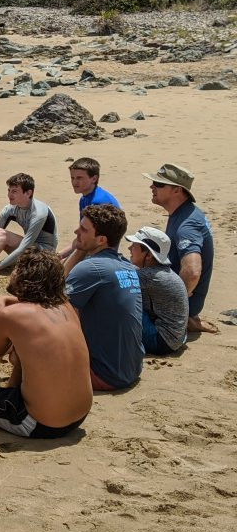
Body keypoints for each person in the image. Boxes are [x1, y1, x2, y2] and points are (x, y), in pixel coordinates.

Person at [0, 248, 92, 437]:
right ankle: (11, 391)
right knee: (26, 348)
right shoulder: (66, 306)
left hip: (39, 423)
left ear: (24, 276)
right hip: (79, 416)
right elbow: (38, 307)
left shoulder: (9, 315)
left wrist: (6, 311)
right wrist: (8, 300)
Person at [63, 205, 143, 391]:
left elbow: (51, 302)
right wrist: (82, 247)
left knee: (27, 340)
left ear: (101, 240)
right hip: (131, 369)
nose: (76, 232)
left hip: (104, 375)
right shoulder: (127, 266)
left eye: (83, 230)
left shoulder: (91, 268)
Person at [144, 163, 217, 334]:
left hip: (182, 304)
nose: (152, 186)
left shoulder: (187, 225)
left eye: (159, 184)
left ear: (177, 190)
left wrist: (176, 305)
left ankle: (187, 320)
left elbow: (192, 271)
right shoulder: (184, 213)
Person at [125, 227, 188, 356]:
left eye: (134, 246)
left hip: (162, 341)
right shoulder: (160, 271)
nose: (129, 249)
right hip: (176, 338)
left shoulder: (151, 275)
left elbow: (115, 276)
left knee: (121, 303)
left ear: (148, 255)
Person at [59, 157, 120, 259]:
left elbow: (90, 242)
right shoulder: (84, 199)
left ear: (94, 179)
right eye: (72, 178)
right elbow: (82, 236)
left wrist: (64, 258)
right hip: (90, 246)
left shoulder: (98, 202)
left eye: (79, 178)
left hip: (101, 254)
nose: (74, 182)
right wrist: (60, 255)